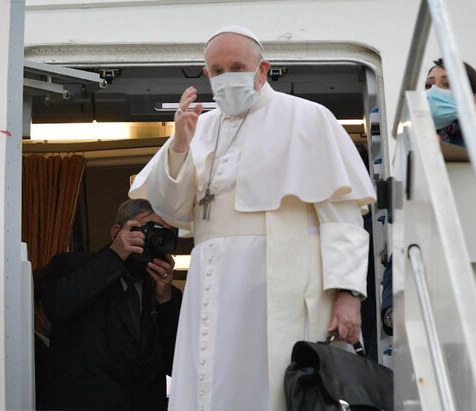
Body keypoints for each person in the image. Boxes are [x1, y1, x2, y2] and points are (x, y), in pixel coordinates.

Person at [129, 25, 376, 410]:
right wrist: (179, 145)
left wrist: (348, 296)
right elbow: (171, 209)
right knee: (210, 384)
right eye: (218, 69)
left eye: (238, 66)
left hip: (281, 283)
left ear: (263, 70)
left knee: (272, 389)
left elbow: (342, 219)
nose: (228, 76)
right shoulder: (200, 126)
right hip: (210, 282)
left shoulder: (308, 119)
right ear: (207, 75)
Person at [42, 199, 182, 411]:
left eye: (163, 233)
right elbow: (57, 306)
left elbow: (178, 364)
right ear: (117, 231)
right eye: (148, 229)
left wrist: (164, 300)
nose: (154, 239)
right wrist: (114, 255)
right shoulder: (71, 265)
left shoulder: (166, 293)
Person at [424, 57, 476, 147]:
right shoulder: (417, 138)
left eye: (447, 84)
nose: (433, 91)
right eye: (428, 85)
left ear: (473, 98)